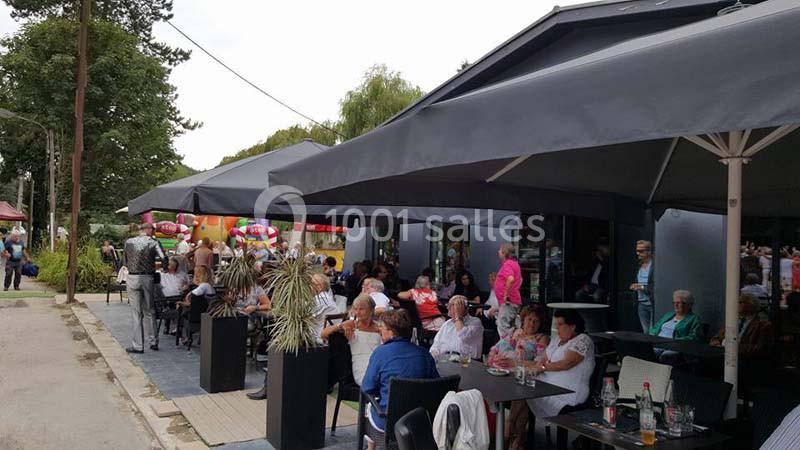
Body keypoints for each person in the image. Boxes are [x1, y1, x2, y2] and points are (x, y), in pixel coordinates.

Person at [361, 309, 440, 449]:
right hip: (420, 422)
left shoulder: (380, 353)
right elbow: (435, 384)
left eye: (382, 327)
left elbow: (367, 388)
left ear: (391, 332)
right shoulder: (424, 354)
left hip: (387, 422)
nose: (380, 330)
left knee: (370, 405)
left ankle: (371, 447)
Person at [487, 305, 549, 450]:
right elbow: (495, 348)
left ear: (540, 324)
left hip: (525, 376)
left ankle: (509, 432)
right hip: (503, 374)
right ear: (523, 319)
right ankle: (516, 439)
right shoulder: (515, 333)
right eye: (529, 319)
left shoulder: (541, 338)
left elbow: (539, 363)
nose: (532, 324)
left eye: (536, 321)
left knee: (522, 393)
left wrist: (515, 363)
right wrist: (493, 357)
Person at [526, 309, 595, 420]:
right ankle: (515, 428)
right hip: (547, 385)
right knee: (522, 389)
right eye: (556, 325)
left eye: (560, 324)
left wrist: (542, 367)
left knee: (524, 392)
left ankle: (513, 429)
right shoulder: (557, 340)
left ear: (572, 327)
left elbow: (566, 364)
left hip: (567, 393)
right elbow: (542, 358)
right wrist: (538, 365)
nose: (557, 328)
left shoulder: (583, 340)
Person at [321, 294, 382, 385]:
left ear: (371, 310)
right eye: (355, 309)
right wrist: (340, 326)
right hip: (360, 364)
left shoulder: (379, 328)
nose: (357, 312)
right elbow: (323, 334)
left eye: (361, 309)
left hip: (377, 362)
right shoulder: (351, 324)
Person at [123, 223, 165, 353]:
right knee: (150, 310)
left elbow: (124, 261)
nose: (154, 232)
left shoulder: (129, 242)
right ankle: (153, 341)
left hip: (132, 277)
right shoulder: (153, 242)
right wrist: (160, 267)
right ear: (148, 230)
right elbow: (164, 258)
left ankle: (138, 345)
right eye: (153, 229)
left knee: (136, 312)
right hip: (148, 277)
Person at [650, 290, 702, 364]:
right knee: (646, 352)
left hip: (676, 347)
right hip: (658, 344)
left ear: (688, 305)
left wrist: (675, 341)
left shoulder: (694, 319)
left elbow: (695, 337)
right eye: (674, 302)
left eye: (679, 303)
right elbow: (655, 328)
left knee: (666, 356)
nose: (675, 305)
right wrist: (652, 336)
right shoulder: (669, 315)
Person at [495, 243, 523, 339]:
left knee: (502, 326)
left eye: (500, 250)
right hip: (513, 300)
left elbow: (510, 278)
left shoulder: (508, 264)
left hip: (508, 302)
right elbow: (520, 279)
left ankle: (506, 344)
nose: (498, 252)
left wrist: (506, 294)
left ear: (504, 253)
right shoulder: (515, 264)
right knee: (509, 324)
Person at [630, 240, 654, 333]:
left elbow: (657, 286)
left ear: (649, 251)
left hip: (652, 303)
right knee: (646, 331)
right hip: (641, 303)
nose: (638, 253)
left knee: (652, 331)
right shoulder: (638, 265)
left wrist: (641, 287)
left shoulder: (655, 266)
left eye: (641, 251)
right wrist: (634, 285)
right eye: (637, 251)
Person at [311, 273, 339, 340]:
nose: (309, 286)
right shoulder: (327, 297)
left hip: (319, 338)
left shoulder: (321, 299)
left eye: (311, 283)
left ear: (320, 287)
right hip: (331, 337)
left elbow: (302, 314)